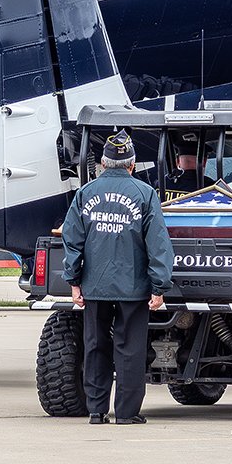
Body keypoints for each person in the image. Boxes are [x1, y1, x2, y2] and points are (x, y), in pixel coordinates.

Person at [62, 130, 174, 425]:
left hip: (95, 287)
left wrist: (74, 282)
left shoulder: (85, 194)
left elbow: (72, 240)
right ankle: (126, 413)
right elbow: (158, 244)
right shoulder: (145, 194)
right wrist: (159, 286)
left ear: (102, 162)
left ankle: (97, 411)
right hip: (133, 288)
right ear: (132, 165)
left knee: (96, 346)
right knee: (130, 351)